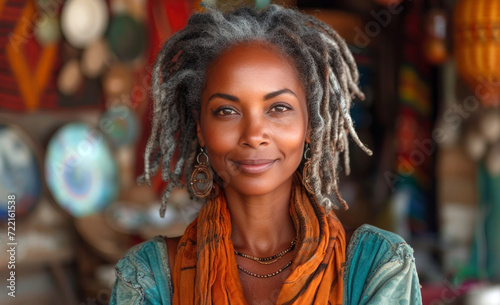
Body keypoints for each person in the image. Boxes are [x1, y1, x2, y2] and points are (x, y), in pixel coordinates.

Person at [110, 4, 422, 305]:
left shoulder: (379, 267)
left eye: (278, 108)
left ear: (311, 123)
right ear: (201, 128)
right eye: (227, 110)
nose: (254, 135)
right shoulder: (148, 278)